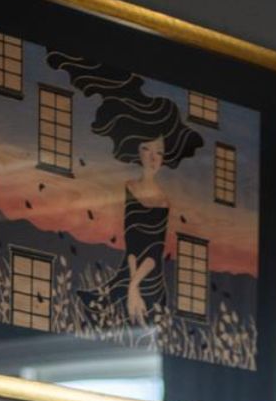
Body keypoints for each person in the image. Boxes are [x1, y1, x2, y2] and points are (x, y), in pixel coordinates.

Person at [46, 55, 203, 328]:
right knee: (95, 309)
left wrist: (135, 286)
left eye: (159, 153)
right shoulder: (129, 188)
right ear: (137, 152)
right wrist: (130, 282)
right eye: (147, 150)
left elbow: (153, 254)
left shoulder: (164, 201)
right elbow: (133, 244)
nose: (153, 158)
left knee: (132, 319)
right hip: (129, 271)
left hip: (149, 278)